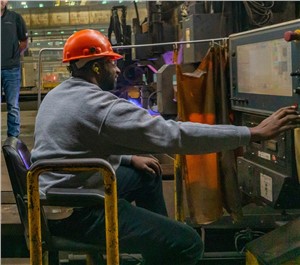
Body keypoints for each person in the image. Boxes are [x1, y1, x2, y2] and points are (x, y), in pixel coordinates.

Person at [31, 29, 300, 265]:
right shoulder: (98, 105)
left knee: (146, 175)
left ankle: (157, 245)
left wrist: (127, 158)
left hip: (55, 196)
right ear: (96, 68)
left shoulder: (58, 95)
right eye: (111, 63)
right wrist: (251, 133)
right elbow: (174, 136)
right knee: (188, 243)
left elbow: (77, 143)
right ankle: (169, 245)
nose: (116, 69)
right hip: (78, 211)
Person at [1, 0, 28, 137]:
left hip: (11, 69)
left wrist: (15, 55)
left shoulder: (15, 18)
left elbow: (24, 41)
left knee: (13, 106)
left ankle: (13, 138)